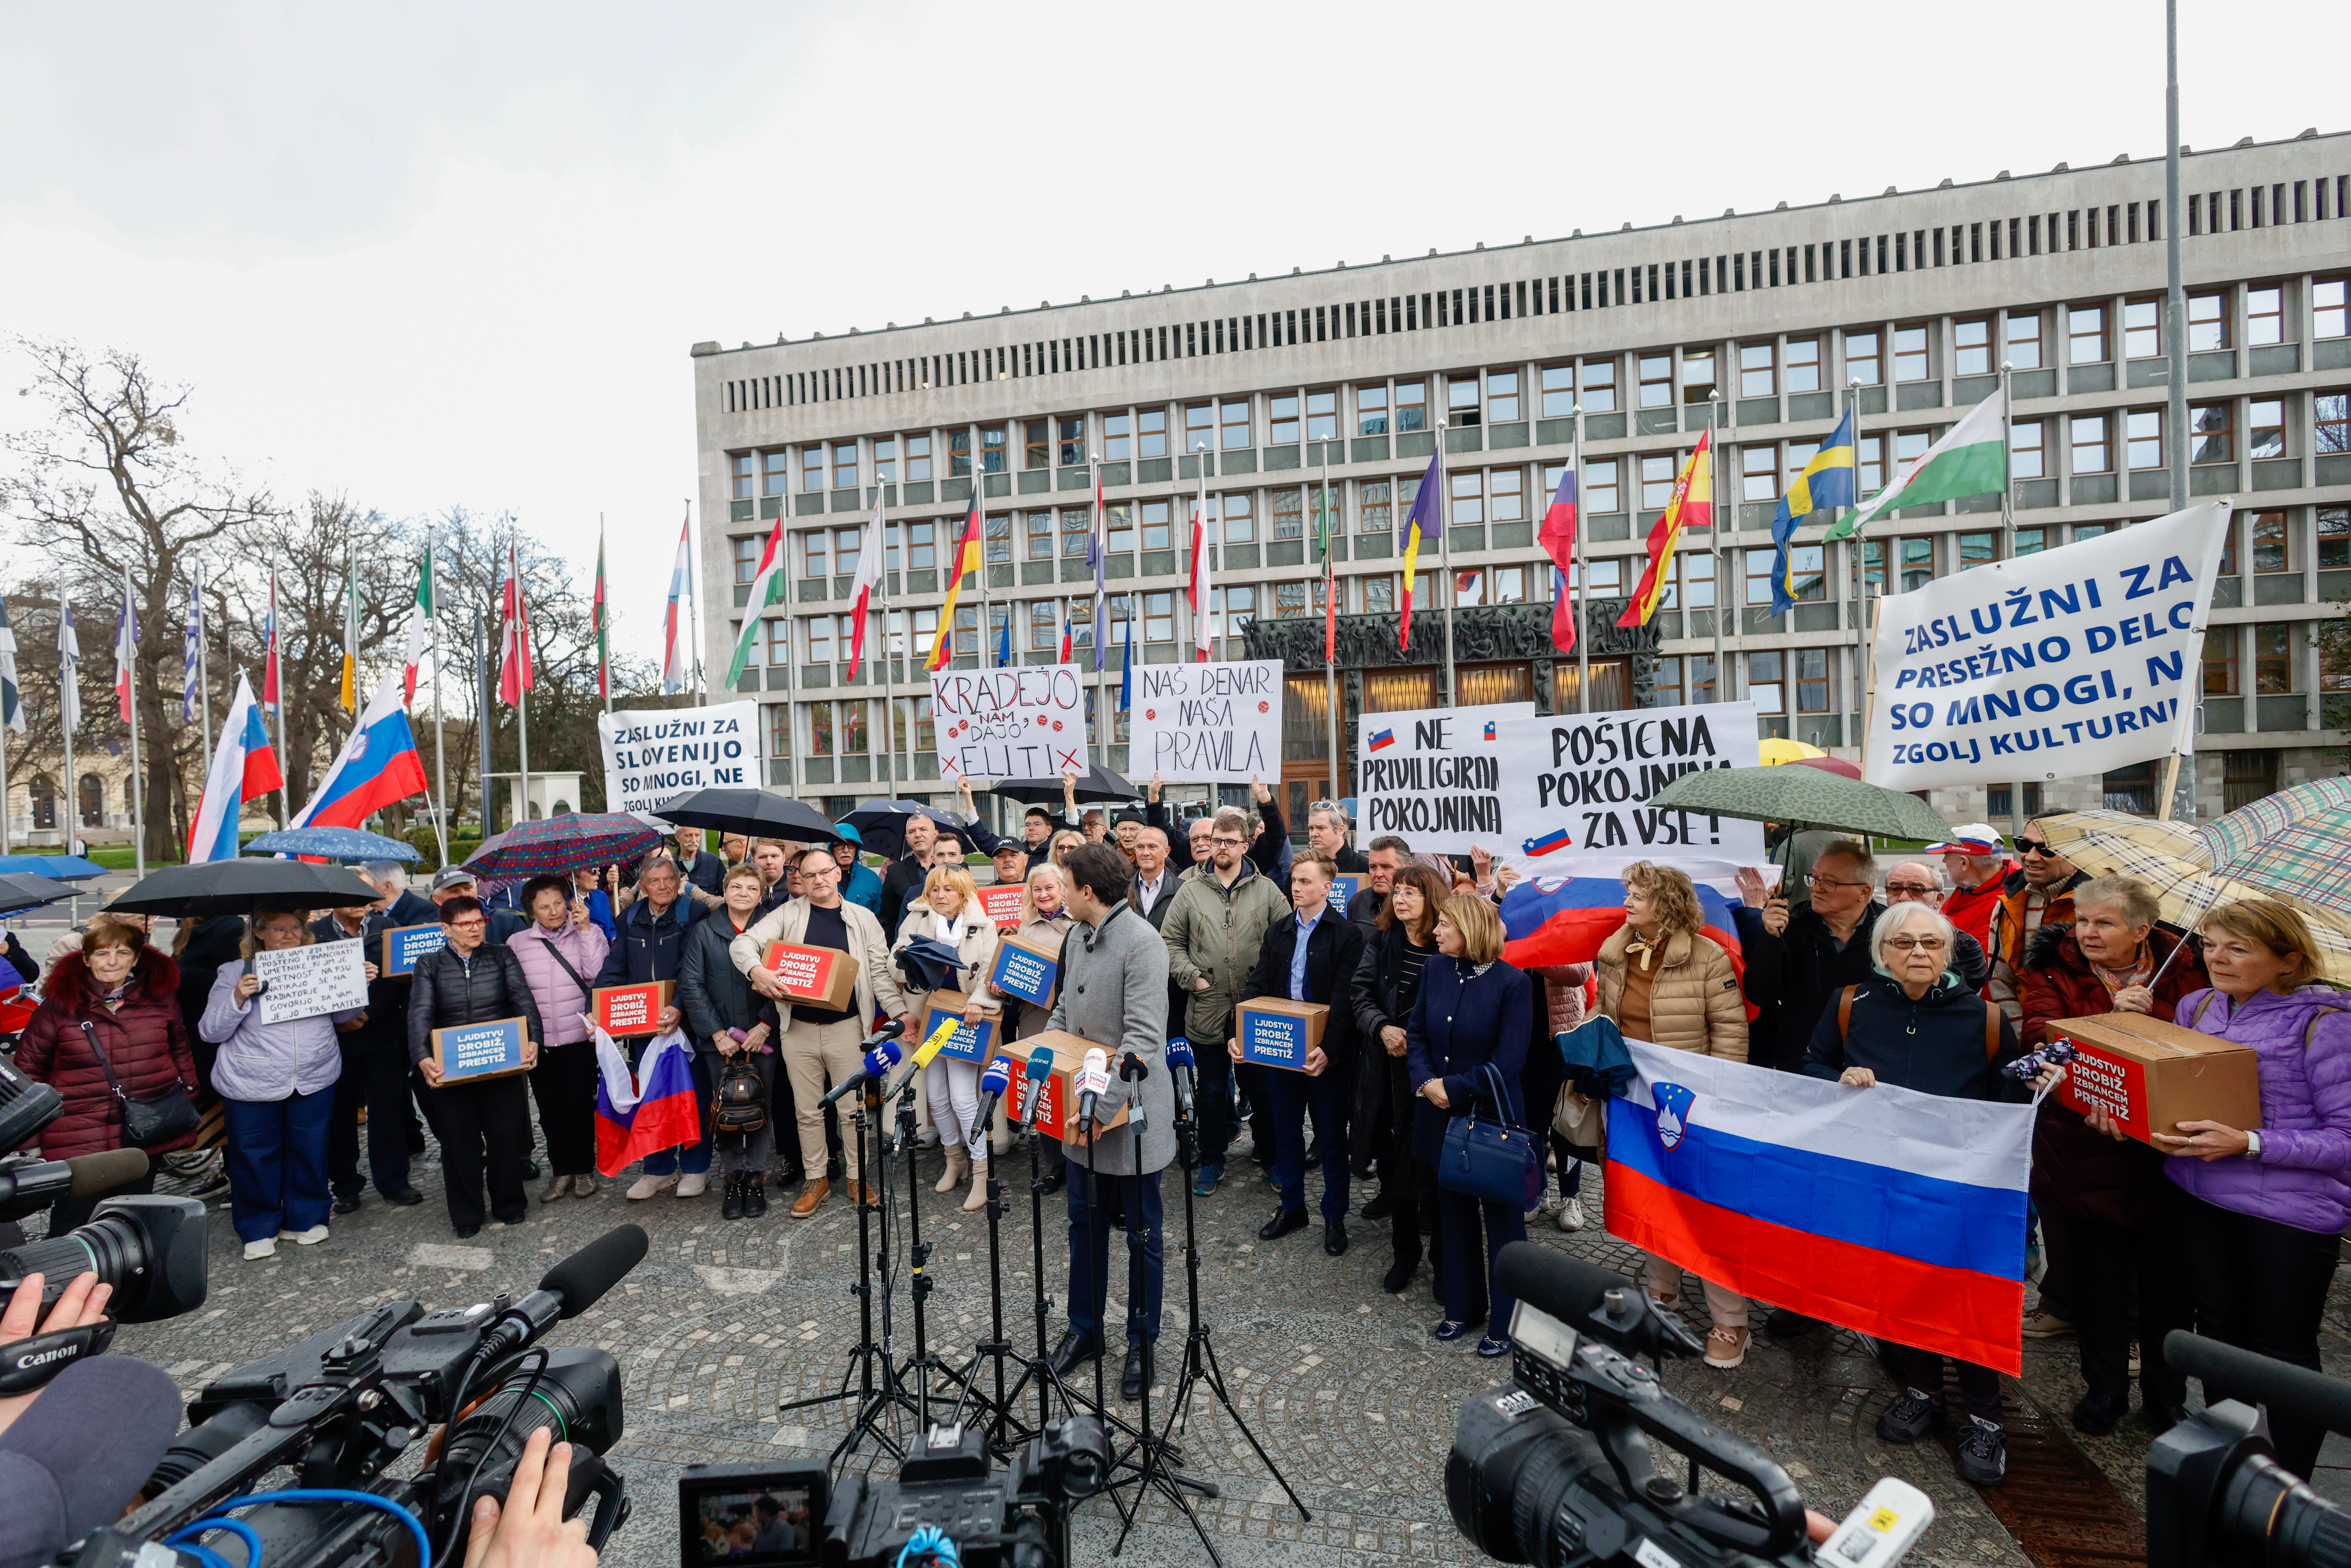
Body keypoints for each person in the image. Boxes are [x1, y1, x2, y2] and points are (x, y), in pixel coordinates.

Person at [1803, 901, 2029, 1489]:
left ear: (1949, 951)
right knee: (1898, 1288)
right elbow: (1811, 1063)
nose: (1918, 953)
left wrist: (2031, 1086)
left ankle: (1985, 1418)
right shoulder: (1852, 1004)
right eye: (1904, 943)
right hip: (1878, 1177)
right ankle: (1922, 1391)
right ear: (1883, 953)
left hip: (1958, 1187)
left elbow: (2008, 1098)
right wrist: (1839, 1079)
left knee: (1963, 1297)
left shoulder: (1980, 1017)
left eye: (1931, 943)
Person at [2146, 899, 2351, 1480]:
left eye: (2238, 948)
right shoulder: (2196, 1004)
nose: (2217, 957)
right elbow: (2177, 1091)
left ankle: (2288, 1487)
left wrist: (2251, 1142)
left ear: (2288, 960)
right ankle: (2229, 1468)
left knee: (2282, 1352)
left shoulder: (2325, 1022)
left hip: (2288, 1215)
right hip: (2197, 1195)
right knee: (2217, 1340)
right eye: (2210, 943)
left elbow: (2345, 1137)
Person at [2020, 874, 2204, 1435]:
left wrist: (2154, 1020)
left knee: (2167, 1291)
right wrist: (2107, 1016)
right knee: (2096, 1286)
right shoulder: (2052, 966)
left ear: (2142, 928)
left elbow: (2203, 1045)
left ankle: (2165, 1397)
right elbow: (2034, 1047)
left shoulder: (2186, 967)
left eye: (2103, 922)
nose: (2087, 932)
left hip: (2165, 1158)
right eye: (2082, 920)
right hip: (2083, 1151)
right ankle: (2103, 1391)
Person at [1596, 862, 1752, 1367]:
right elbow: (1603, 1018)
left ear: (1666, 902)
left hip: (1693, 1107)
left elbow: (1730, 1033)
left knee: (1705, 1210)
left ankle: (1731, 1322)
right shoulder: (1615, 952)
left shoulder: (1708, 957)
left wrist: (1717, 1104)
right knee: (1650, 1199)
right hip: (1634, 1101)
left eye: (1638, 893)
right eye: (1627, 891)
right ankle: (1661, 1295)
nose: (1627, 900)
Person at [1736, 841, 1884, 1340]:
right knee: (1804, 1187)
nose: (1815, 887)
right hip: (1801, 1069)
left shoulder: (1891, 930)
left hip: (1869, 1077)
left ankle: (1866, 1294)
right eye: (1814, 878)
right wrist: (1770, 935)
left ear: (1863, 891)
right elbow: (1757, 991)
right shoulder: (1793, 923)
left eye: (1829, 881)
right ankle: (1804, 1297)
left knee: (1861, 1189)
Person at [1043, 843, 1176, 1401]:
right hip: (1081, 1112)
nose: (1060, 893)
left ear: (1086, 891)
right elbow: (1060, 1014)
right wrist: (1040, 1062)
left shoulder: (1143, 943)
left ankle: (1142, 1339)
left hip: (1129, 1113)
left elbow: (1142, 1041)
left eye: (1064, 884)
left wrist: (1100, 1109)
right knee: (1084, 1227)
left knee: (1144, 1235)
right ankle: (1085, 1328)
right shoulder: (1075, 935)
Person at [732, 845, 911, 1218]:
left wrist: (901, 1014)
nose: (817, 880)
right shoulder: (787, 914)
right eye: (809, 875)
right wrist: (757, 971)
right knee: (808, 1111)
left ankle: (858, 1177)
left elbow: (879, 973)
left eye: (824, 873)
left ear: (838, 874)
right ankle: (817, 1180)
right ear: (801, 878)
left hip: (847, 1029)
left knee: (852, 1110)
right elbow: (743, 943)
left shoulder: (862, 919)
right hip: (797, 1030)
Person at [1407, 894, 1535, 1358]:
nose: (1435, 931)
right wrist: (1425, 1081)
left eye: (1443, 924)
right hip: (1438, 1114)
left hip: (1493, 1118)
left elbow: (1509, 1061)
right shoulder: (1435, 969)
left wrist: (1452, 1087)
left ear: (1470, 929)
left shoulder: (1513, 983)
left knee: (1503, 1224)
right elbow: (1417, 1032)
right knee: (1453, 1215)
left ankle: (1507, 1321)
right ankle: (1462, 1308)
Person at [200, 907, 356, 1261]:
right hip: (251, 1079)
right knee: (254, 1154)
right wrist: (238, 998)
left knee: (311, 1147)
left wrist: (357, 984)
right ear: (259, 933)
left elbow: (344, 1016)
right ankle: (257, 1226)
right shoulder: (234, 972)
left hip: (315, 1075)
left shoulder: (319, 963)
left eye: (295, 928)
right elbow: (210, 1030)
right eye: (278, 929)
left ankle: (307, 1218)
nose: (288, 936)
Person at [14, 923, 195, 1229]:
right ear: (86, 959)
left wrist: (181, 1106)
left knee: (134, 1223)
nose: (112, 961)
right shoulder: (58, 1008)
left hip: (142, 1134)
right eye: (102, 953)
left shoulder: (159, 1000)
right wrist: (30, 1139)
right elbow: (28, 1074)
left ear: (136, 959)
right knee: (74, 1226)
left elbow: (182, 1055)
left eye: (122, 952)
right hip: (79, 1142)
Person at [1230, 852, 1363, 1255]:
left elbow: (1345, 1001)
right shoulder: (1280, 931)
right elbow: (1260, 985)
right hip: (1282, 1051)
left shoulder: (1346, 935)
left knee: (1331, 1140)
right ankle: (1292, 1208)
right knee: (1287, 1134)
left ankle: (1335, 1217)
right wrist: (1241, 1033)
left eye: (1306, 881)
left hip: (1327, 1058)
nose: (1297, 887)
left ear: (1327, 887)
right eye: (1294, 880)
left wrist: (1328, 1050)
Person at [1161, 805, 1293, 1196]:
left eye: (1229, 842)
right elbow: (1169, 943)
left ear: (1245, 845)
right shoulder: (1189, 891)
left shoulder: (1267, 889)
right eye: (1216, 840)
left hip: (1256, 1009)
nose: (1220, 847)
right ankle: (1213, 1159)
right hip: (1208, 1006)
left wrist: (1269, 989)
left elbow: (1285, 940)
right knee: (1213, 1089)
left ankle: (1270, 1157)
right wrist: (1193, 979)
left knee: (1263, 1089)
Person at [407, 896, 543, 1238]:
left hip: (501, 1060)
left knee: (505, 1136)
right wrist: (422, 1056)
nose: (474, 929)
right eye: (465, 924)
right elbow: (420, 1011)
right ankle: (466, 1213)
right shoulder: (429, 963)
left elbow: (522, 998)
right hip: (453, 1068)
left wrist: (532, 1038)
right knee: (459, 1143)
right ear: (446, 929)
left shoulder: (501, 955)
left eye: (479, 921)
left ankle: (509, 1203)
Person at [1350, 863, 1452, 1293]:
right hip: (1388, 1070)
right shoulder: (1383, 939)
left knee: (1434, 1166)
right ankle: (1404, 1254)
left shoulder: (1448, 946)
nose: (1401, 899)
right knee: (1396, 1164)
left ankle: (1445, 1260)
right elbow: (1360, 992)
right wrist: (1381, 1027)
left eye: (1412, 892)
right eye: (1398, 892)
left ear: (1433, 899)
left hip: (1434, 1073)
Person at [597, 855, 711, 1200]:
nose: (662, 887)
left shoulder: (694, 913)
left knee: (693, 1097)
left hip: (688, 1025)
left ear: (679, 883)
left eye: (669, 880)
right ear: (642, 887)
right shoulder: (629, 917)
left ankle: (696, 1167)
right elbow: (613, 968)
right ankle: (658, 1169)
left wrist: (678, 1008)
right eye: (654, 882)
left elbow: (691, 968)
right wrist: (596, 1009)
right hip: (644, 1028)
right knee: (650, 1098)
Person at [678, 865, 784, 1220]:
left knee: (759, 1106)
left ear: (761, 893)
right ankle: (733, 1178)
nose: (743, 893)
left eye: (751, 888)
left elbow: (789, 977)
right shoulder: (705, 931)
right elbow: (691, 985)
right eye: (735, 886)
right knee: (724, 1111)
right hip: (719, 1041)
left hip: (761, 1038)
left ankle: (755, 1176)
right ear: (724, 891)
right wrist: (717, 1034)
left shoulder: (774, 929)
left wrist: (766, 1025)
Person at [891, 863, 999, 1210]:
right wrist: (911, 963)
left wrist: (980, 1002)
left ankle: (982, 1170)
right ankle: (955, 1160)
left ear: (963, 893)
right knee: (936, 1098)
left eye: (949, 889)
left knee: (963, 1099)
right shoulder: (916, 918)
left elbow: (991, 969)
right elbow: (893, 962)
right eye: (935, 889)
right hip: (930, 1018)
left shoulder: (982, 923)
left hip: (966, 1021)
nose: (940, 896)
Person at [509, 874, 612, 1202]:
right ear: (532, 912)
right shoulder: (517, 943)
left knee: (580, 1105)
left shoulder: (589, 932)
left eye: (558, 903)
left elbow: (597, 974)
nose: (553, 911)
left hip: (578, 1037)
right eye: (544, 907)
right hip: (539, 1041)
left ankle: (584, 1170)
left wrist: (585, 931)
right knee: (549, 1109)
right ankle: (560, 1171)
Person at [975, 863, 1077, 1188]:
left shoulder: (1080, 922)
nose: (1044, 894)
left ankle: (1083, 1162)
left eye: (1050, 888)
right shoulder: (1021, 928)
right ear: (1030, 894)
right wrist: (999, 987)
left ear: (1063, 889)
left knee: (1076, 1087)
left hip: (1077, 1016)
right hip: (1036, 1018)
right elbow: (1009, 976)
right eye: (1038, 889)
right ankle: (1054, 1164)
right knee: (1042, 1088)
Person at [1987, 815, 2088, 1027]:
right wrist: (2022, 1036)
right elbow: (2000, 981)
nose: (2031, 857)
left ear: (2077, 853)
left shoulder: (2103, 907)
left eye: (2046, 849)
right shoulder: (2008, 904)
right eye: (2024, 845)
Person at [1882, 861, 1989, 990]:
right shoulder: (1867, 937)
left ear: (1938, 900)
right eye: (1895, 889)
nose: (1904, 898)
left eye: (1916, 890)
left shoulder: (1963, 947)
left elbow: (1962, 1001)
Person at [1929, 826, 2014, 954]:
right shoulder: (1970, 887)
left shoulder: (2002, 907)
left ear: (1964, 863)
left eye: (1947, 854)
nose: (1944, 860)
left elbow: (1972, 963)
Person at [878, 811, 943, 938]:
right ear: (907, 839)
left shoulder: (953, 869)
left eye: (923, 830)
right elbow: (888, 921)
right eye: (912, 832)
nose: (918, 835)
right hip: (909, 946)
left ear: (936, 835)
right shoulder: (895, 872)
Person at [430, 865, 527, 942]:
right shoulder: (428, 930)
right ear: (438, 899)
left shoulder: (507, 922)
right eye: (455, 892)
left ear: (477, 889)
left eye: (468, 888)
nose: (464, 895)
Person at [1348, 836, 1412, 927]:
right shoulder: (1357, 902)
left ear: (1407, 868)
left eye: (1386, 867)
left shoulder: (1421, 904)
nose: (1378, 874)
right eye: (1373, 867)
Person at [663, 826, 727, 909]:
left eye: (697, 835)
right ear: (677, 837)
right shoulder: (669, 865)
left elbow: (726, 892)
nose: (694, 840)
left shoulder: (713, 862)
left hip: (708, 917)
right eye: (689, 835)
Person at [832, 828, 884, 918]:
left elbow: (881, 917)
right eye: (840, 845)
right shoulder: (822, 877)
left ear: (857, 850)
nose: (846, 850)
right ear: (831, 849)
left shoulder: (872, 879)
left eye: (851, 845)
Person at [570, 865, 619, 940]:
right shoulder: (567, 903)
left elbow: (611, 928)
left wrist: (614, 939)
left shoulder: (602, 896)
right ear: (572, 878)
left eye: (598, 869)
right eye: (592, 871)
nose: (598, 873)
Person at [750, 840, 793, 914]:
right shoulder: (747, 890)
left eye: (774, 856)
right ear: (753, 861)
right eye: (763, 857)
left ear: (784, 859)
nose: (769, 862)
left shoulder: (795, 889)